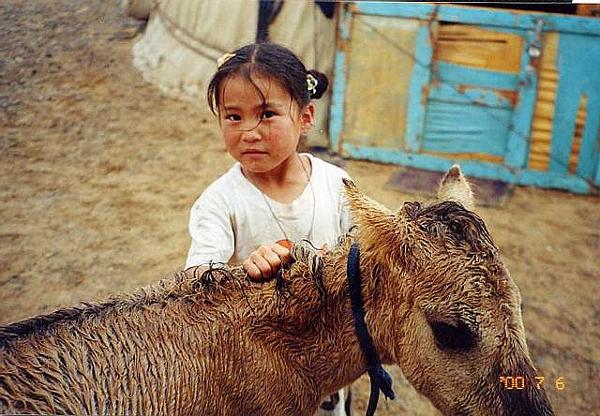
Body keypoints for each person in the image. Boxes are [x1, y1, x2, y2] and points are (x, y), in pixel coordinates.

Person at [184, 42, 352, 416]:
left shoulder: (336, 185)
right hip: (258, 367)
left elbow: (367, 253)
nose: (249, 132)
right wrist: (243, 274)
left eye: (267, 114)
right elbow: (196, 280)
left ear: (306, 117)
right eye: (233, 117)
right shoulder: (219, 202)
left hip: (328, 358)